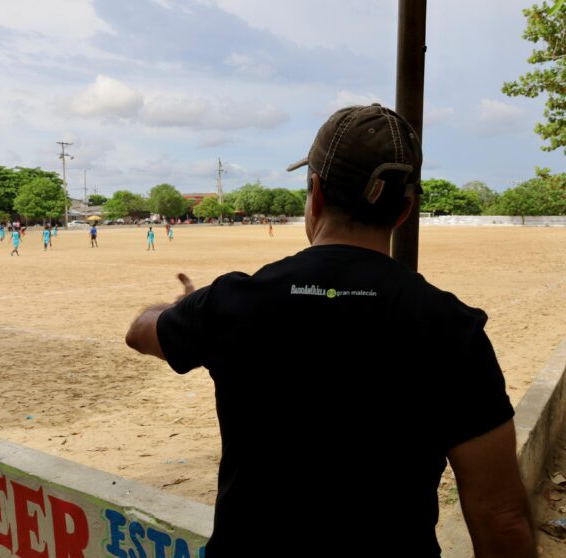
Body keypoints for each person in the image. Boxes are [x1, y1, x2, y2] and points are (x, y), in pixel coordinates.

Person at [125, 104, 535, 558]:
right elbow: (501, 518)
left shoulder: (234, 301)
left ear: (315, 193)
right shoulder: (452, 327)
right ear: (405, 208)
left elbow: (141, 332)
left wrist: (186, 306)